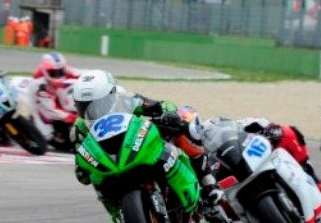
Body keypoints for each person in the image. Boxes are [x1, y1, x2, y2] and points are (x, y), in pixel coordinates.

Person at [71, 70, 224, 207]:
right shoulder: (79, 129)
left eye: (97, 105)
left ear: (111, 96)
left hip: (137, 146)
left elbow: (162, 105)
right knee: (97, 179)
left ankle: (208, 182)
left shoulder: (126, 101)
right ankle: (119, 212)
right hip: (113, 167)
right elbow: (82, 166)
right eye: (83, 106)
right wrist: (81, 170)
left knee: (184, 121)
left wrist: (169, 114)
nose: (90, 111)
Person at [233, 116, 321, 197]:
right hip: (243, 168)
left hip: (264, 153)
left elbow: (267, 124)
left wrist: (269, 132)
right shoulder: (227, 134)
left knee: (289, 133)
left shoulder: (242, 123)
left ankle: (314, 181)